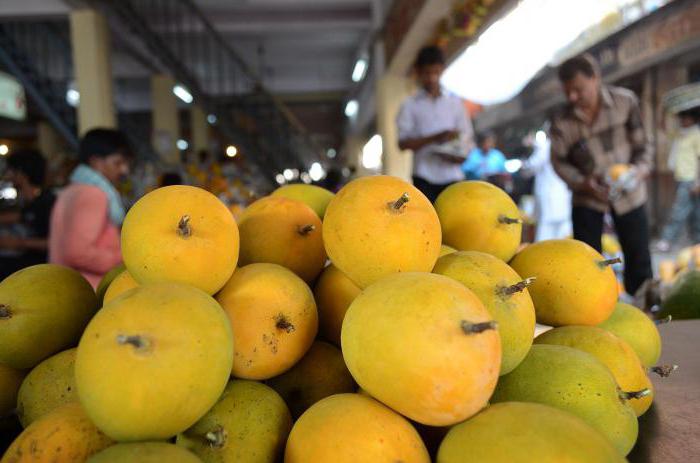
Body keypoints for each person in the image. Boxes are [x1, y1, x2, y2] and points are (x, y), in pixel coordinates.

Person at [550, 53, 653, 296]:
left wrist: (637, 172)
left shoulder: (625, 102)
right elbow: (559, 163)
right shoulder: (561, 121)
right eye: (568, 92)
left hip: (630, 194)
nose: (573, 97)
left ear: (595, 78)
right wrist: (583, 183)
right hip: (587, 198)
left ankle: (647, 311)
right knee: (588, 264)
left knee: (639, 258)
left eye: (579, 89)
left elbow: (644, 146)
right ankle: (596, 314)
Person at [49, 128, 132, 287]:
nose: (124, 170)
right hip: (88, 287)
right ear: (96, 162)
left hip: (66, 284)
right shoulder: (93, 194)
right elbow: (77, 253)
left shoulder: (73, 189)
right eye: (118, 163)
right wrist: (126, 258)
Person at [397, 46, 474, 202]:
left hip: (453, 176)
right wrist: (435, 138)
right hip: (423, 178)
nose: (432, 78)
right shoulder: (410, 105)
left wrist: (460, 156)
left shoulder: (454, 102)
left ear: (442, 70)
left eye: (436, 72)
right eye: (427, 73)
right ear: (418, 72)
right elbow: (403, 143)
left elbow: (467, 138)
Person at [0, 149, 56, 278]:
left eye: (10, 171)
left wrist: (19, 243)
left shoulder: (47, 203)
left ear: (21, 173)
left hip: (40, 270)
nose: (7, 175)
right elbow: (18, 217)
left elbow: (56, 242)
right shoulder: (32, 203)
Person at [656, 110, 700, 251]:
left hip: (690, 179)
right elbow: (663, 129)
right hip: (680, 177)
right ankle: (697, 243)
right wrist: (663, 112)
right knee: (695, 212)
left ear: (692, 119)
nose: (682, 121)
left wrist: (698, 182)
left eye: (685, 118)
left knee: (679, 210)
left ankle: (667, 240)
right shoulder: (680, 134)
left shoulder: (696, 135)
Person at [523, 130, 572, 241]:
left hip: (549, 195)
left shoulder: (545, 147)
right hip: (562, 195)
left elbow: (531, 167)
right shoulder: (564, 146)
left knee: (545, 232)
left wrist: (523, 165)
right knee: (563, 232)